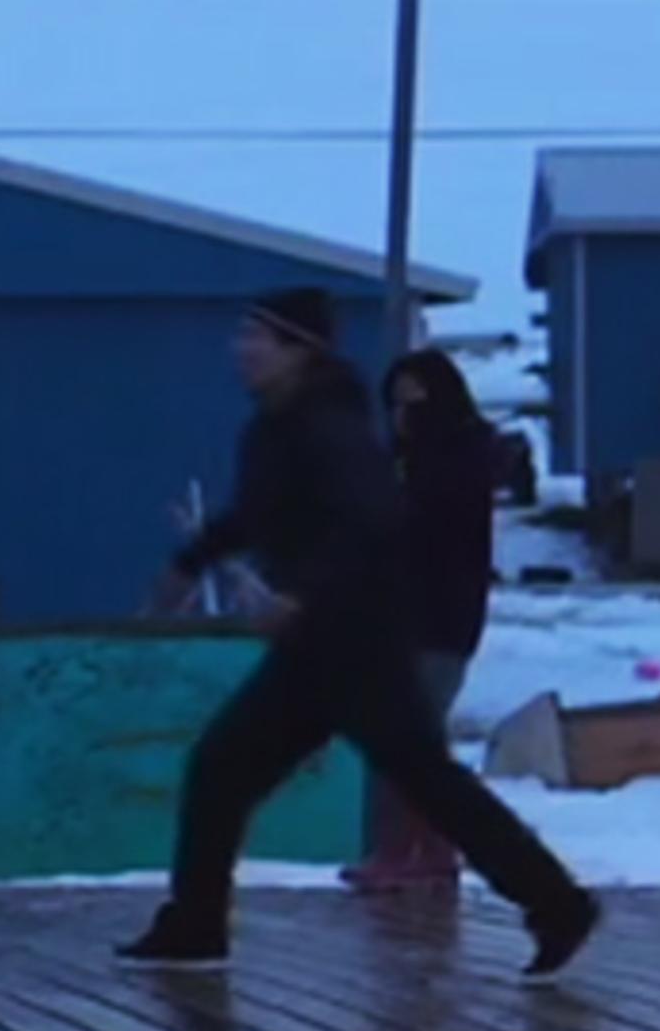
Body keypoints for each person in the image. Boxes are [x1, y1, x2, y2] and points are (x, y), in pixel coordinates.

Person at [123, 291, 601, 976]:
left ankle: (559, 905)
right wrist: (188, 563)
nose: (241, 349)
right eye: (243, 335)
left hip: (356, 642)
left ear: (298, 350)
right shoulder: (276, 427)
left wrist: (300, 594)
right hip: (317, 648)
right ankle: (196, 925)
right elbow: (255, 514)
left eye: (256, 337)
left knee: (421, 782)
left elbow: (371, 526)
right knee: (227, 769)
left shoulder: (330, 428)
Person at [350, 348, 503, 890]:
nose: (402, 416)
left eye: (413, 402)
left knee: (406, 737)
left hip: (441, 614)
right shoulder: (411, 461)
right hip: (408, 613)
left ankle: (399, 850)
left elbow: (426, 524)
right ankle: (433, 849)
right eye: (395, 404)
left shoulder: (455, 457)